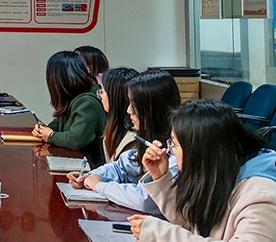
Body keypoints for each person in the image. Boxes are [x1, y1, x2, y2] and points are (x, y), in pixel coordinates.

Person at [129, 100, 276, 241]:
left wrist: (161, 234)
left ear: (199, 151)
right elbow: (193, 225)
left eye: (174, 144)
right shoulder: (221, 173)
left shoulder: (260, 196)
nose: (170, 151)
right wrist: (161, 178)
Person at [68, 69, 181, 215]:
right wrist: (91, 176)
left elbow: (146, 199)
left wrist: (99, 185)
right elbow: (120, 167)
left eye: (134, 104)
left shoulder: (176, 150)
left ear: (151, 108)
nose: (129, 110)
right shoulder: (147, 139)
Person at [32, 51, 107, 165]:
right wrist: (42, 130)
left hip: (90, 167)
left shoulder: (87, 102)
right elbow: (60, 123)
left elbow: (76, 139)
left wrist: (51, 136)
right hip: (77, 163)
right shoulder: (74, 98)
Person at [98, 67, 139, 161]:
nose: (100, 95)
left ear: (115, 97)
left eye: (102, 91)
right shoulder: (116, 128)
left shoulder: (134, 141)